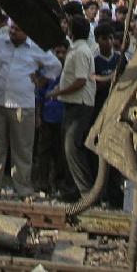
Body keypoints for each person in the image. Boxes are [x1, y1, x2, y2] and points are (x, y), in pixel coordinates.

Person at [0, 20, 60, 197]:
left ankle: (23, 188)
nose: (13, 32)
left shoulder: (36, 48)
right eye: (11, 28)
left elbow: (56, 65)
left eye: (18, 29)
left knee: (23, 148)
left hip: (23, 104)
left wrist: (42, 79)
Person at [51, 15, 98, 196]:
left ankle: (86, 192)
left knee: (72, 147)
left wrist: (58, 92)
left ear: (72, 30)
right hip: (73, 103)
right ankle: (75, 189)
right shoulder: (77, 49)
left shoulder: (80, 51)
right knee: (69, 147)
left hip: (80, 104)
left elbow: (80, 81)